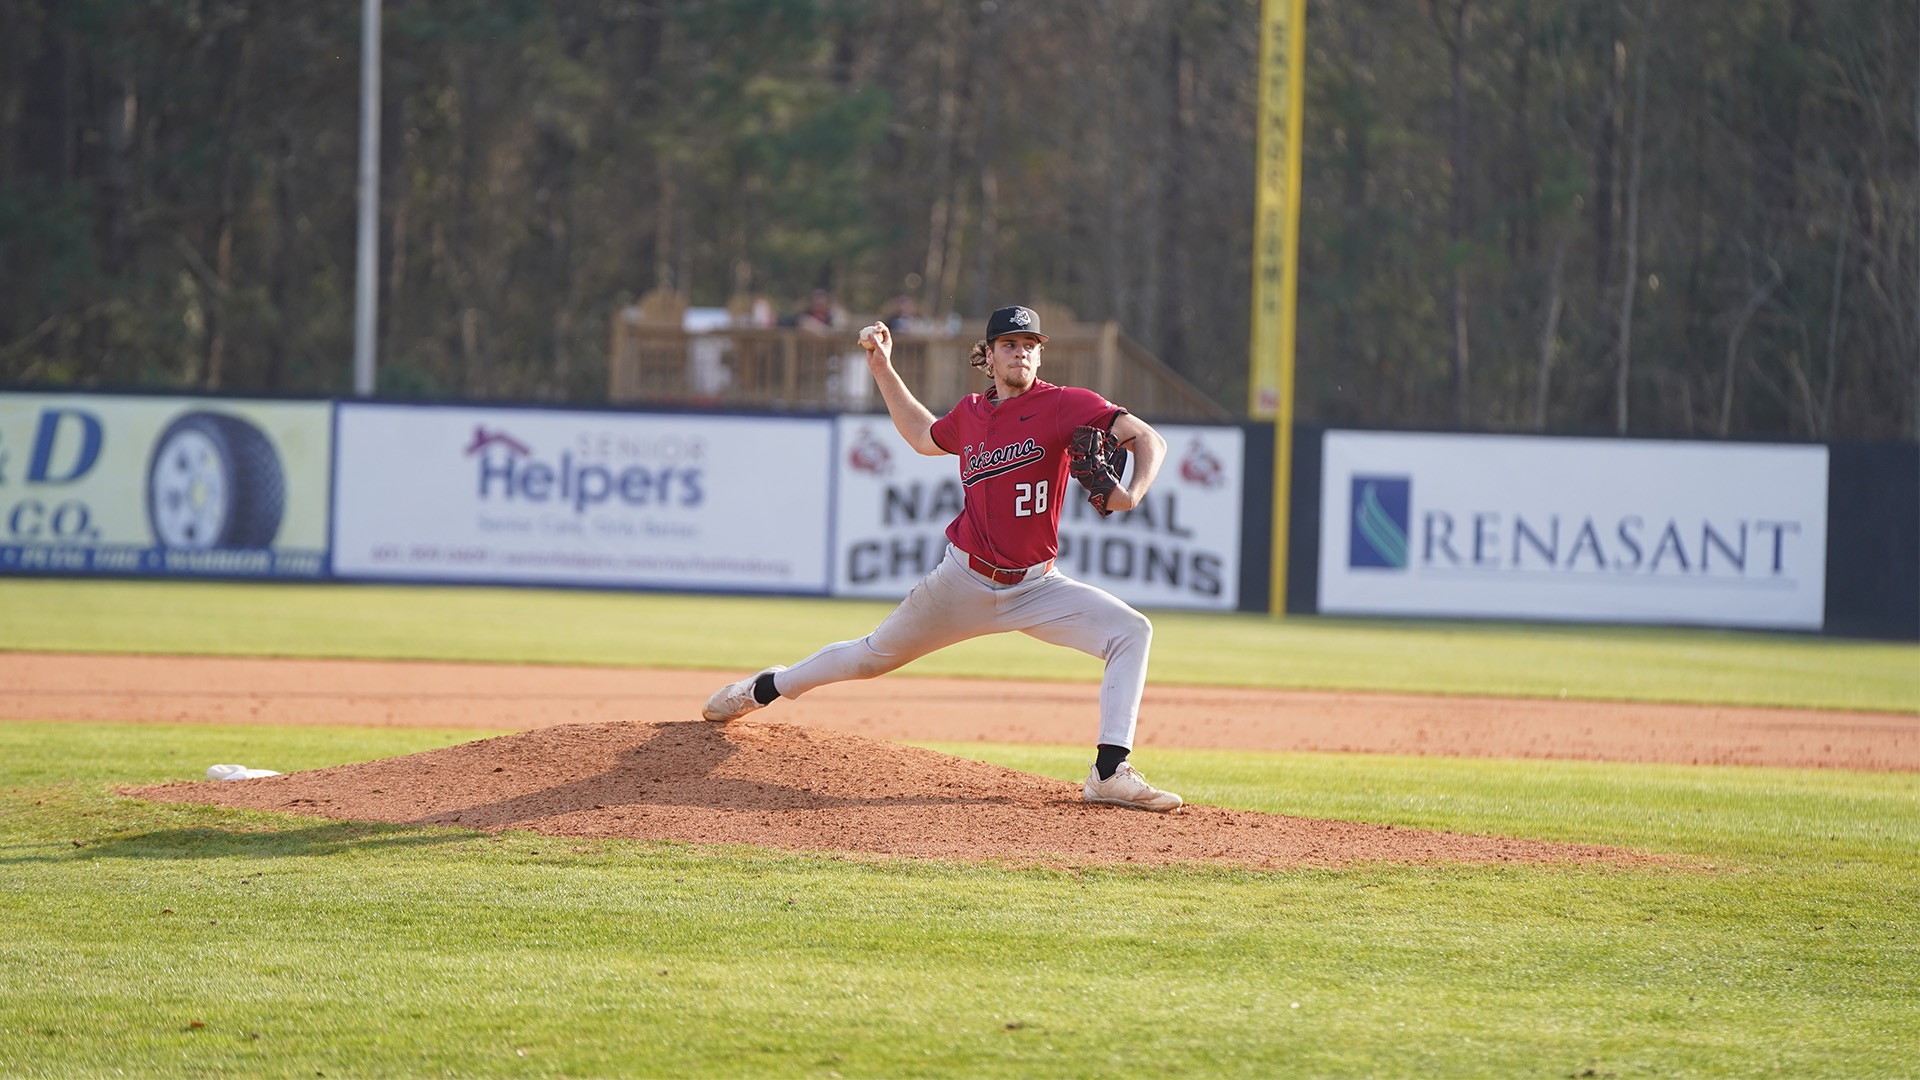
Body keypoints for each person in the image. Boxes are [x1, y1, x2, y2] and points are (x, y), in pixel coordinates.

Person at [701, 305, 1182, 811]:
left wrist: (1132, 492)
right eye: (1010, 345)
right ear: (988, 356)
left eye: (1031, 345)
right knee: (868, 658)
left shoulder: (1065, 404)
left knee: (1132, 630)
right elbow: (922, 436)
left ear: (1040, 355)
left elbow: (1149, 438)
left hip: (1037, 586)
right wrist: (882, 367)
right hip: (963, 582)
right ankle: (766, 686)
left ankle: (1108, 773)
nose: (1022, 353)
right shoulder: (970, 413)